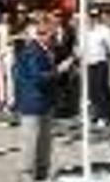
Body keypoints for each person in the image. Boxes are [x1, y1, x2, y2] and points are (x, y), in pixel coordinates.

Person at [15, 16, 68, 182]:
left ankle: (41, 173)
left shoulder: (46, 50)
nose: (54, 39)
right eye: (51, 36)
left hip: (45, 102)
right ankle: (26, 175)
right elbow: (37, 78)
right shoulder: (32, 51)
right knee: (30, 142)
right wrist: (59, 70)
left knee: (44, 143)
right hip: (33, 103)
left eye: (54, 35)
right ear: (41, 34)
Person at [81, 8, 110, 127]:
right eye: (91, 16)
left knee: (101, 90)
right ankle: (94, 115)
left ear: (100, 17)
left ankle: (104, 116)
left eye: (95, 16)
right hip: (88, 62)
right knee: (91, 91)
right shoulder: (85, 30)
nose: (93, 19)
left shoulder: (105, 30)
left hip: (100, 62)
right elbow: (81, 46)